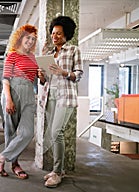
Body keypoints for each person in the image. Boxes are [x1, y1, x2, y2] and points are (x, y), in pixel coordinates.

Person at [0, 24, 41, 179]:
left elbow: (36, 79)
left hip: (29, 93)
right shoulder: (12, 55)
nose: (30, 41)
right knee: (11, 131)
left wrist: (42, 75)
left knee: (28, 132)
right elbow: (5, 79)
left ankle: (1, 158)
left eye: (33, 39)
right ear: (20, 37)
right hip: (12, 91)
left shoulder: (33, 58)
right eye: (28, 37)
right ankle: (14, 164)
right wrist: (8, 100)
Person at [39, 16, 83, 187]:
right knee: (52, 133)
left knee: (57, 132)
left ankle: (57, 172)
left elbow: (78, 74)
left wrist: (63, 72)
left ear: (66, 34)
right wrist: (41, 76)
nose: (54, 36)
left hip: (66, 96)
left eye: (58, 33)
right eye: (53, 33)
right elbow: (45, 81)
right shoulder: (50, 54)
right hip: (51, 95)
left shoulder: (73, 50)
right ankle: (58, 169)